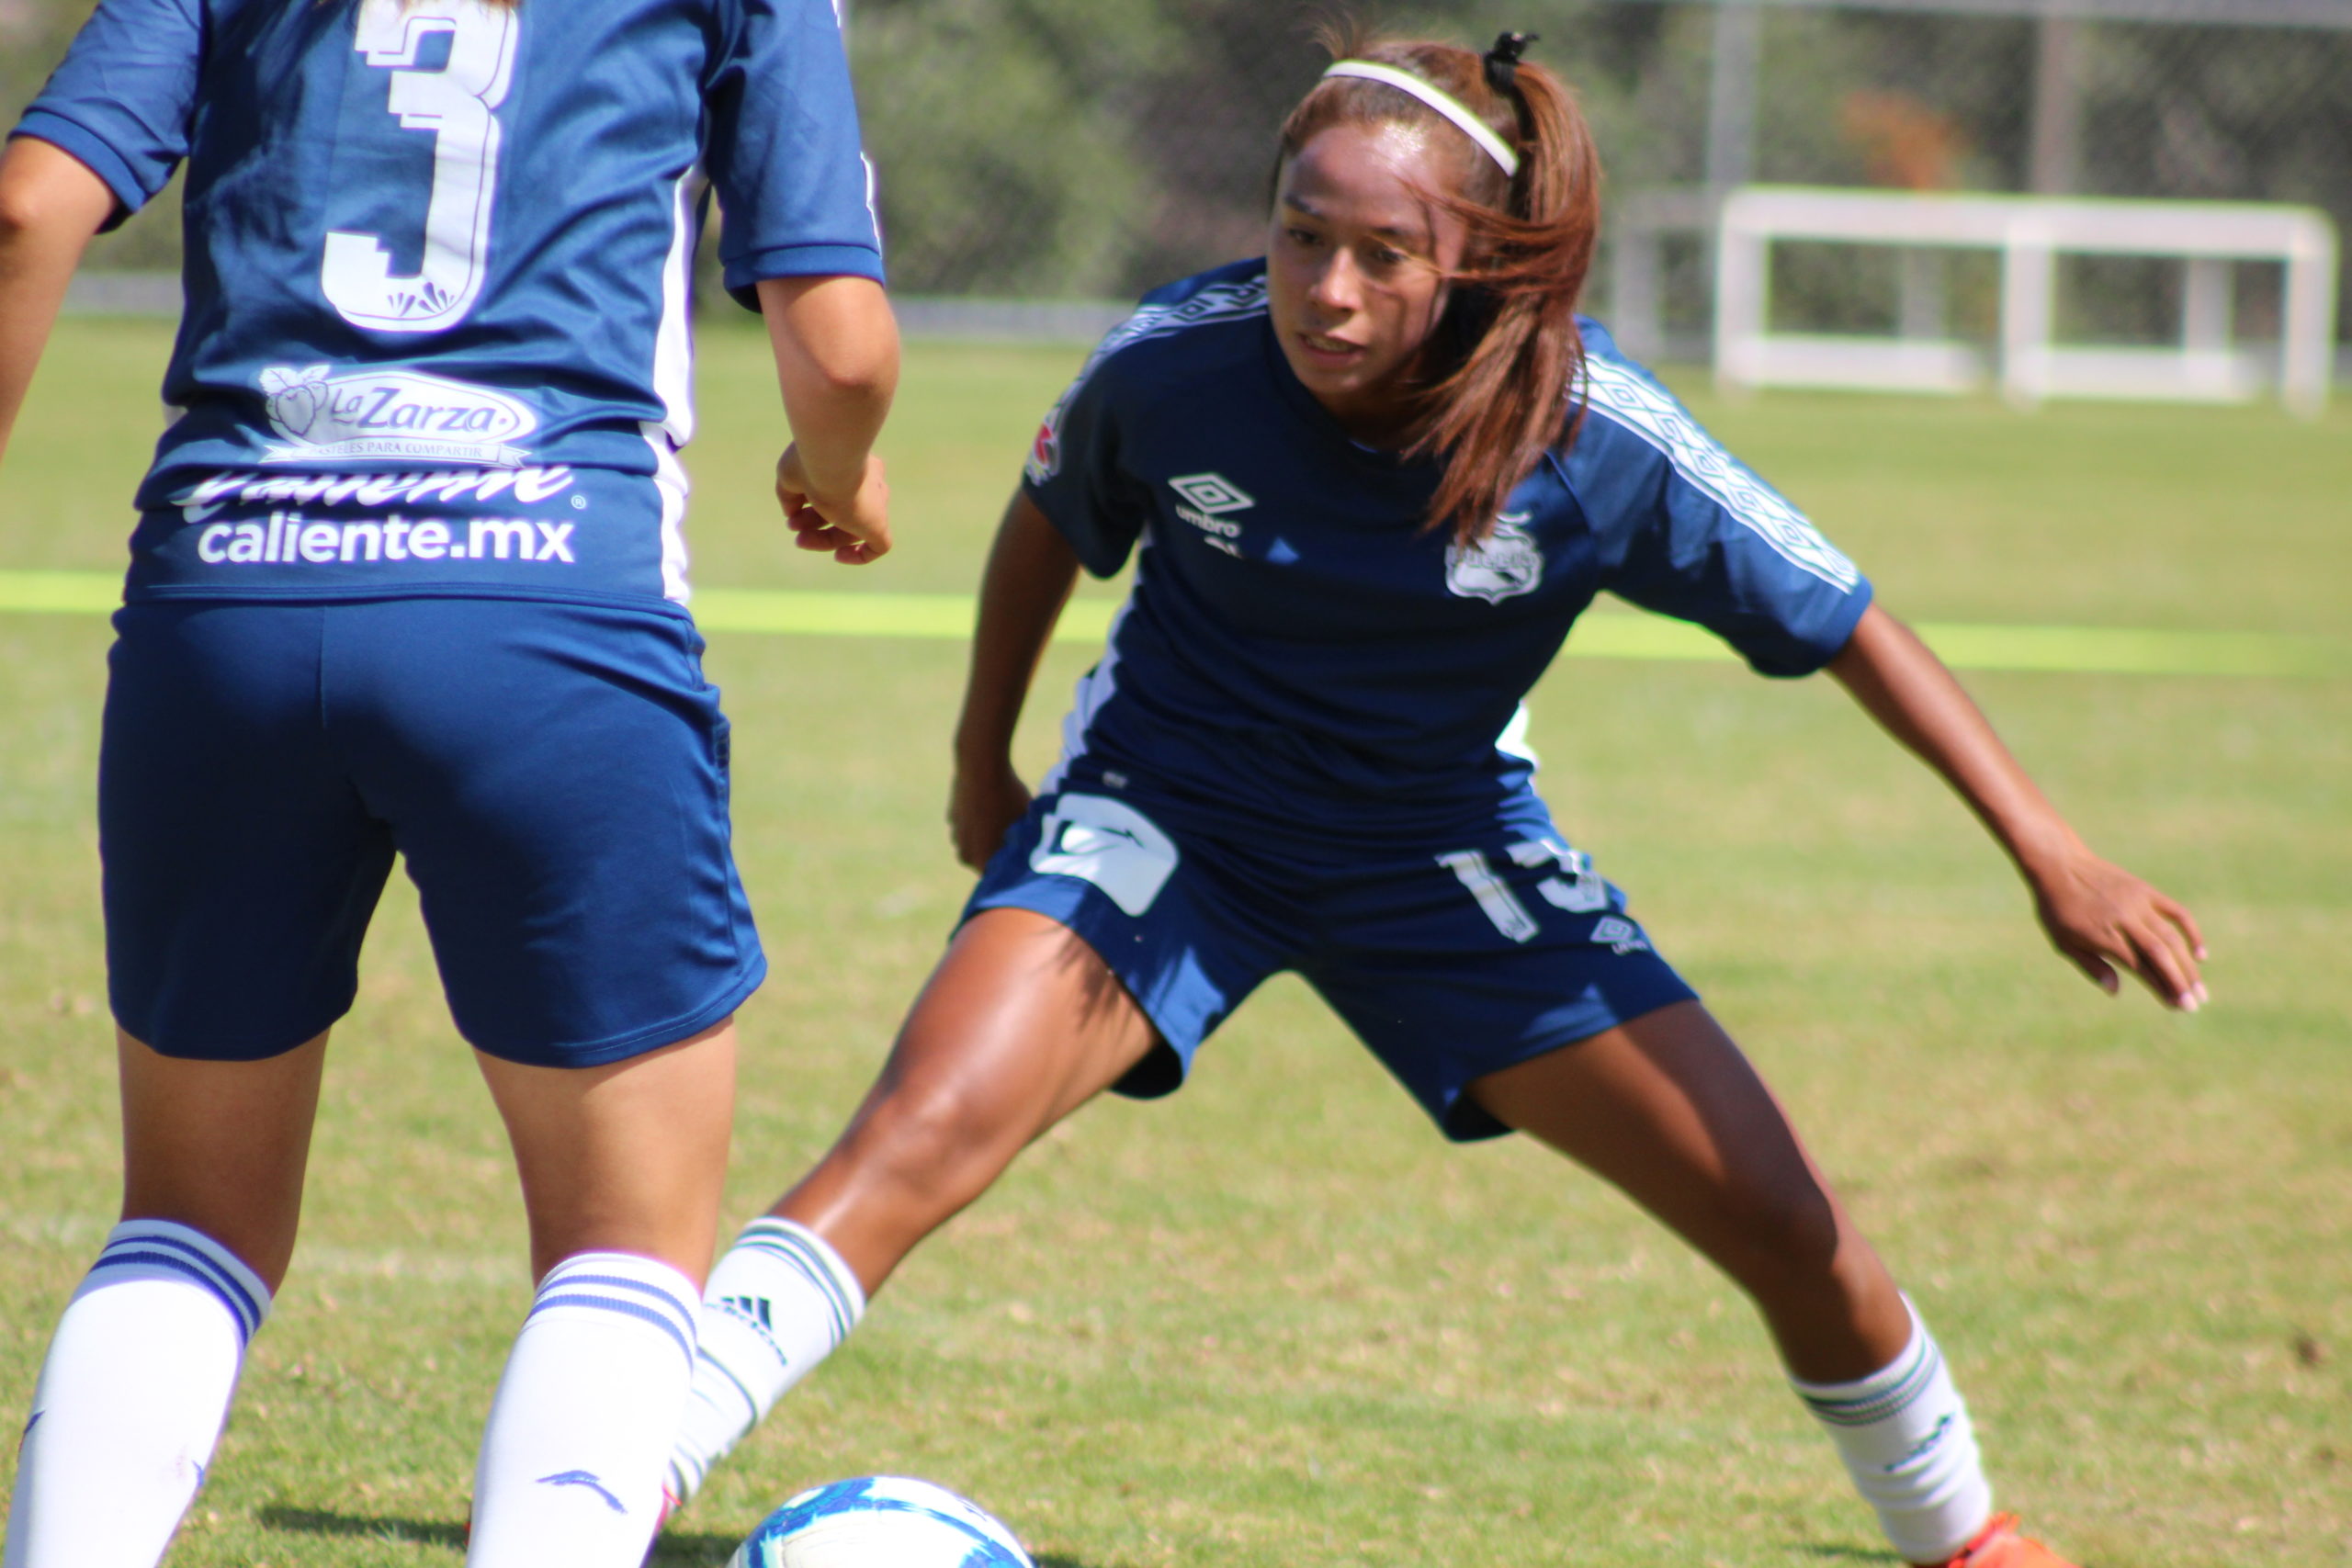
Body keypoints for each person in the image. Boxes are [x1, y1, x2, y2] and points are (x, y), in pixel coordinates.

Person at [653, 24, 2210, 1567]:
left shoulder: (1595, 434)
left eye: (1384, 254)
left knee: (1787, 1224)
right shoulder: (1182, 364)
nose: (1327, 290)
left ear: (1479, 266)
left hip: (1440, 857)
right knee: (914, 1135)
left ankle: (1966, 1539)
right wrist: (978, 758)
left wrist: (2051, 852)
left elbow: (1848, 618)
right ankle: (613, 1486)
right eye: (1300, 235)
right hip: (1173, 816)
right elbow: (1053, 520)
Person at [0, 0, 898, 1562]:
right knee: (624, 1254)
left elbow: (27, 206)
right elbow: (842, 345)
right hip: (545, 612)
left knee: (187, 1231)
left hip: (230, 601)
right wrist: (835, 471)